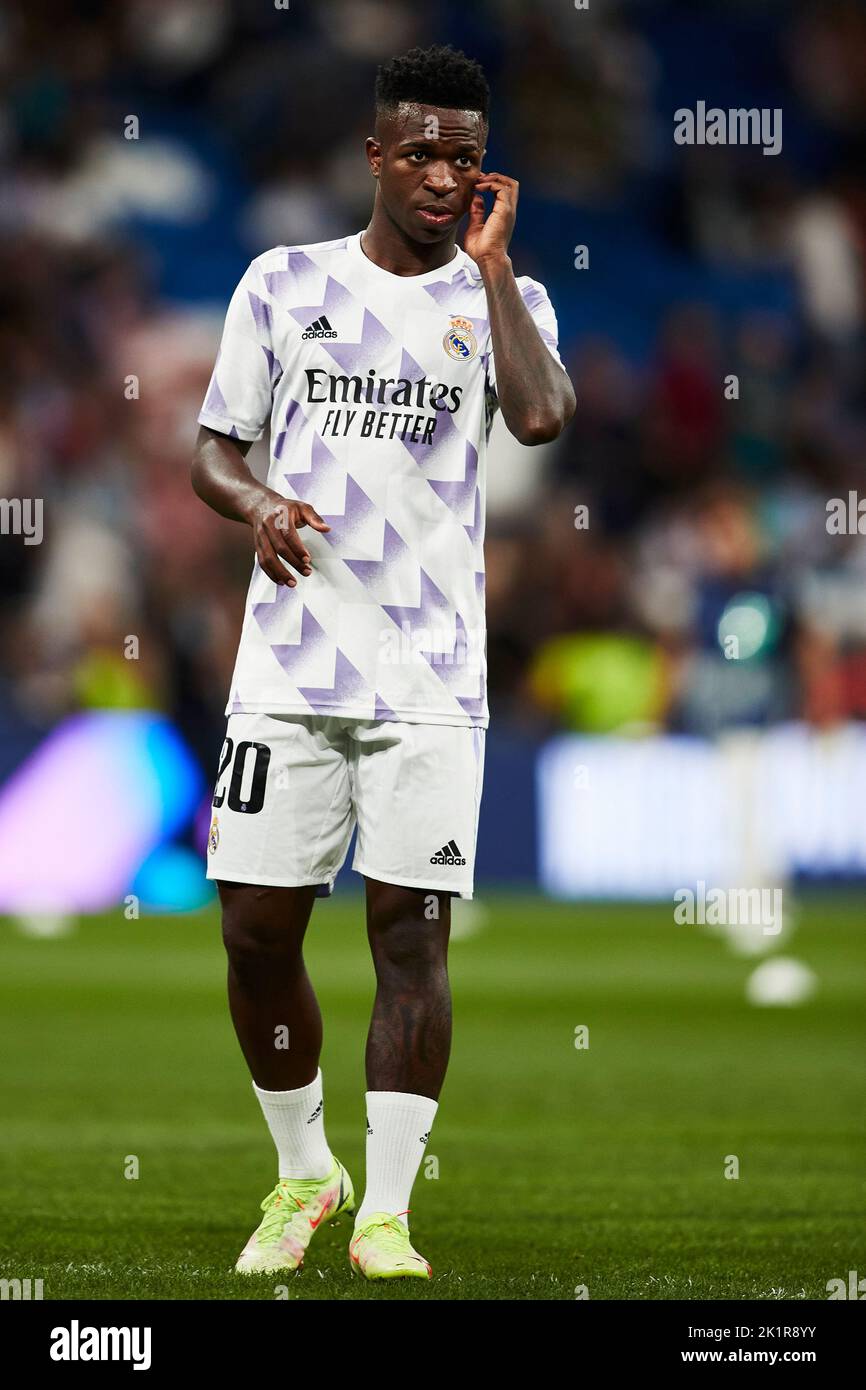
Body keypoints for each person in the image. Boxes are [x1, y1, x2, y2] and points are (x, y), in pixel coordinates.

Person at [191, 43, 575, 1282]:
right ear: (372, 154)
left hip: (428, 678)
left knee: (410, 936)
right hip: (290, 665)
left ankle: (386, 1211)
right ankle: (306, 1173)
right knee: (255, 930)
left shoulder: (496, 298)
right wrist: (254, 504)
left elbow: (539, 417)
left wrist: (497, 270)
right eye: (416, 151)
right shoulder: (280, 282)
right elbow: (213, 451)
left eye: (462, 157)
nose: (438, 175)